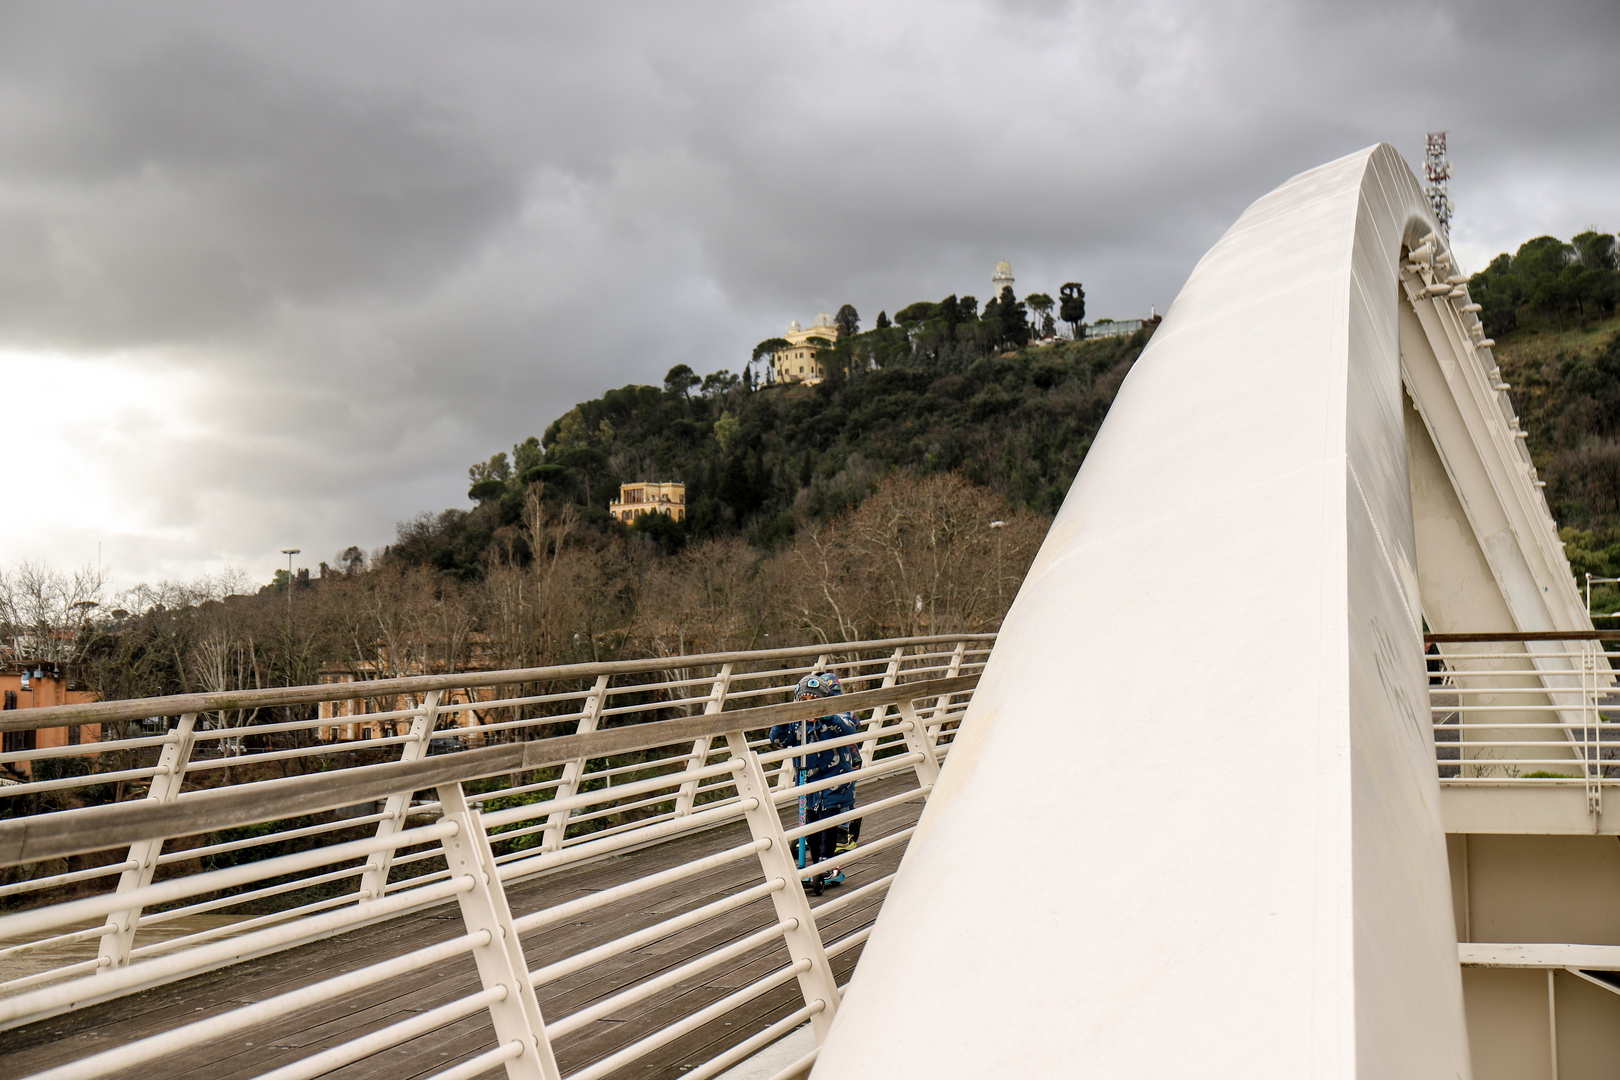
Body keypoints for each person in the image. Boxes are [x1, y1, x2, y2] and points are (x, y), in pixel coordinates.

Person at [771, 671, 860, 891]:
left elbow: (849, 727)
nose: (809, 705)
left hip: (835, 779)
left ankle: (826, 861)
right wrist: (787, 718)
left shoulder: (835, 719)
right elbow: (777, 740)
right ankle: (814, 863)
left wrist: (826, 716)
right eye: (804, 700)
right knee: (809, 820)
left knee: (827, 819)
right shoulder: (797, 724)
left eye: (815, 700)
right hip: (807, 780)